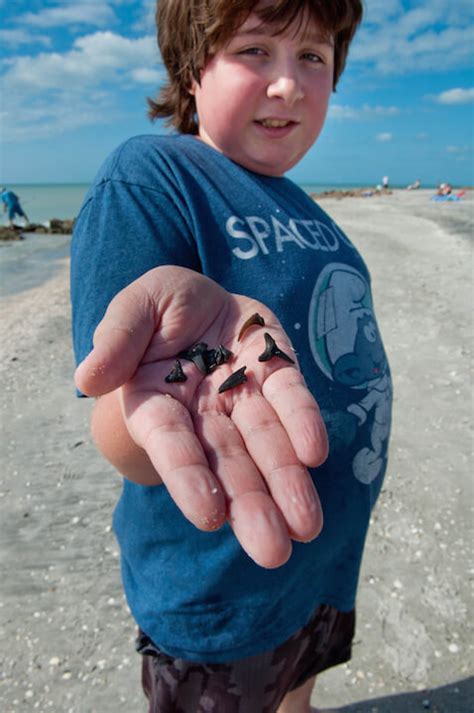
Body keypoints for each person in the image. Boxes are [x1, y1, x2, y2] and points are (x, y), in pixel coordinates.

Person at [71, 1, 392, 711]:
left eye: (312, 56)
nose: (288, 84)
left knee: (294, 696)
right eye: (255, 51)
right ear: (192, 71)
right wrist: (162, 389)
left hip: (322, 566)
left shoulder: (320, 220)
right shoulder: (153, 178)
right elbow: (121, 426)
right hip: (221, 594)